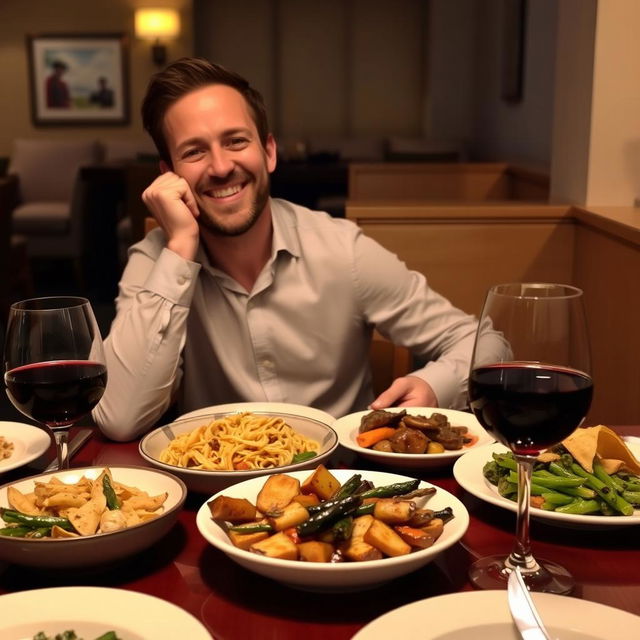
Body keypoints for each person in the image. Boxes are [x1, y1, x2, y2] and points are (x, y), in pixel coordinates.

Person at [93, 57, 495, 442]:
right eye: (194, 152)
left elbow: (486, 343)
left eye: (235, 141)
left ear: (268, 152)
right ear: (170, 175)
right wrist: (180, 248)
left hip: (345, 488)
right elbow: (120, 419)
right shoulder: (157, 260)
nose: (219, 167)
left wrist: (432, 386)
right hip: (216, 491)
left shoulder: (343, 249)